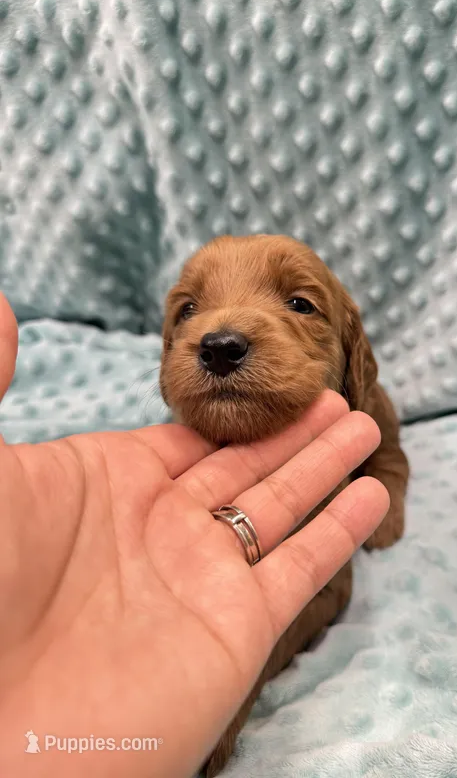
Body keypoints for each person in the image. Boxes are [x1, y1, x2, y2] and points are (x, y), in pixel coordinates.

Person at [0, 292, 389, 777]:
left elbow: (331, 583)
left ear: (352, 355)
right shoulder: (153, 471)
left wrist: (240, 688)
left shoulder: (348, 400)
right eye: (188, 310)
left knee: (377, 432)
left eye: (299, 303)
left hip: (325, 435)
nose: (221, 336)